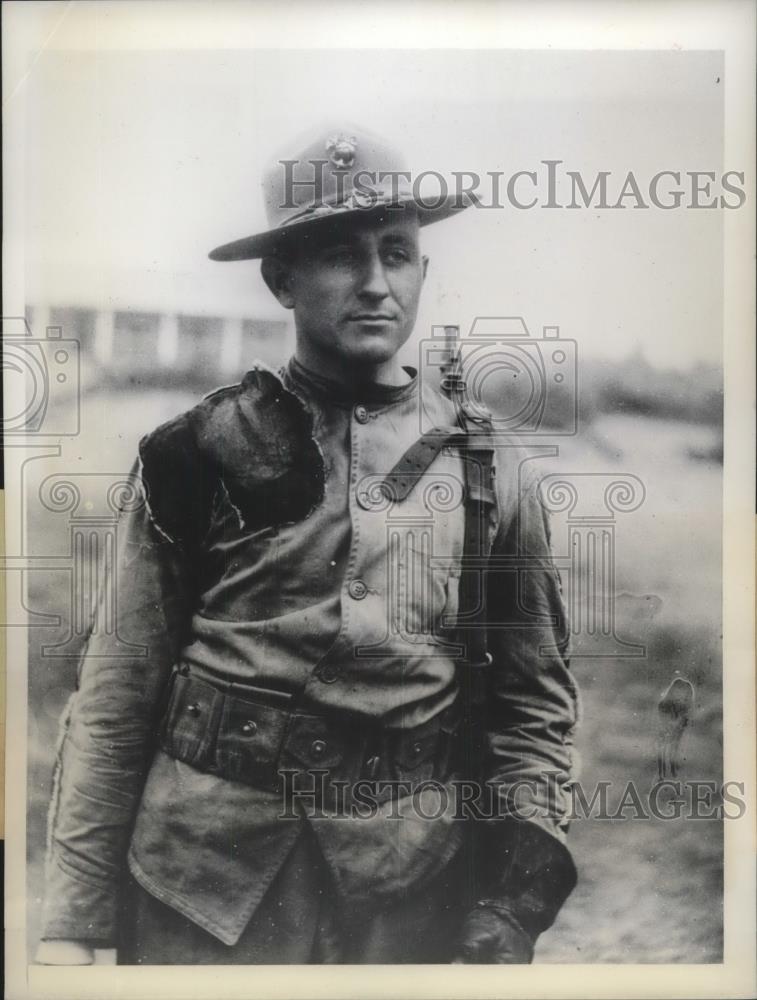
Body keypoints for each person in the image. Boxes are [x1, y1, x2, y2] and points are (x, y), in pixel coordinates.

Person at [36, 124, 579, 965]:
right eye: (337, 255)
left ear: (422, 272)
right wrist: (72, 926)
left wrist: (514, 895)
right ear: (281, 278)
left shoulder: (491, 470)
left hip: (406, 890)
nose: (374, 283)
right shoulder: (195, 451)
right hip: (203, 888)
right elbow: (116, 693)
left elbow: (531, 707)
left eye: (396, 253)